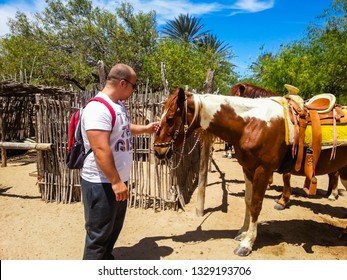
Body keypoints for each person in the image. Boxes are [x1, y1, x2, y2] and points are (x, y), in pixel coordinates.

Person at [80, 63, 159, 260]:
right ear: (123, 83)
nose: (134, 91)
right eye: (134, 86)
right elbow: (100, 148)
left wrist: (146, 129)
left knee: (112, 230)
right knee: (98, 237)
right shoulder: (98, 108)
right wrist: (116, 182)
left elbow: (123, 127)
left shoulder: (117, 105)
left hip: (116, 181)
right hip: (102, 182)